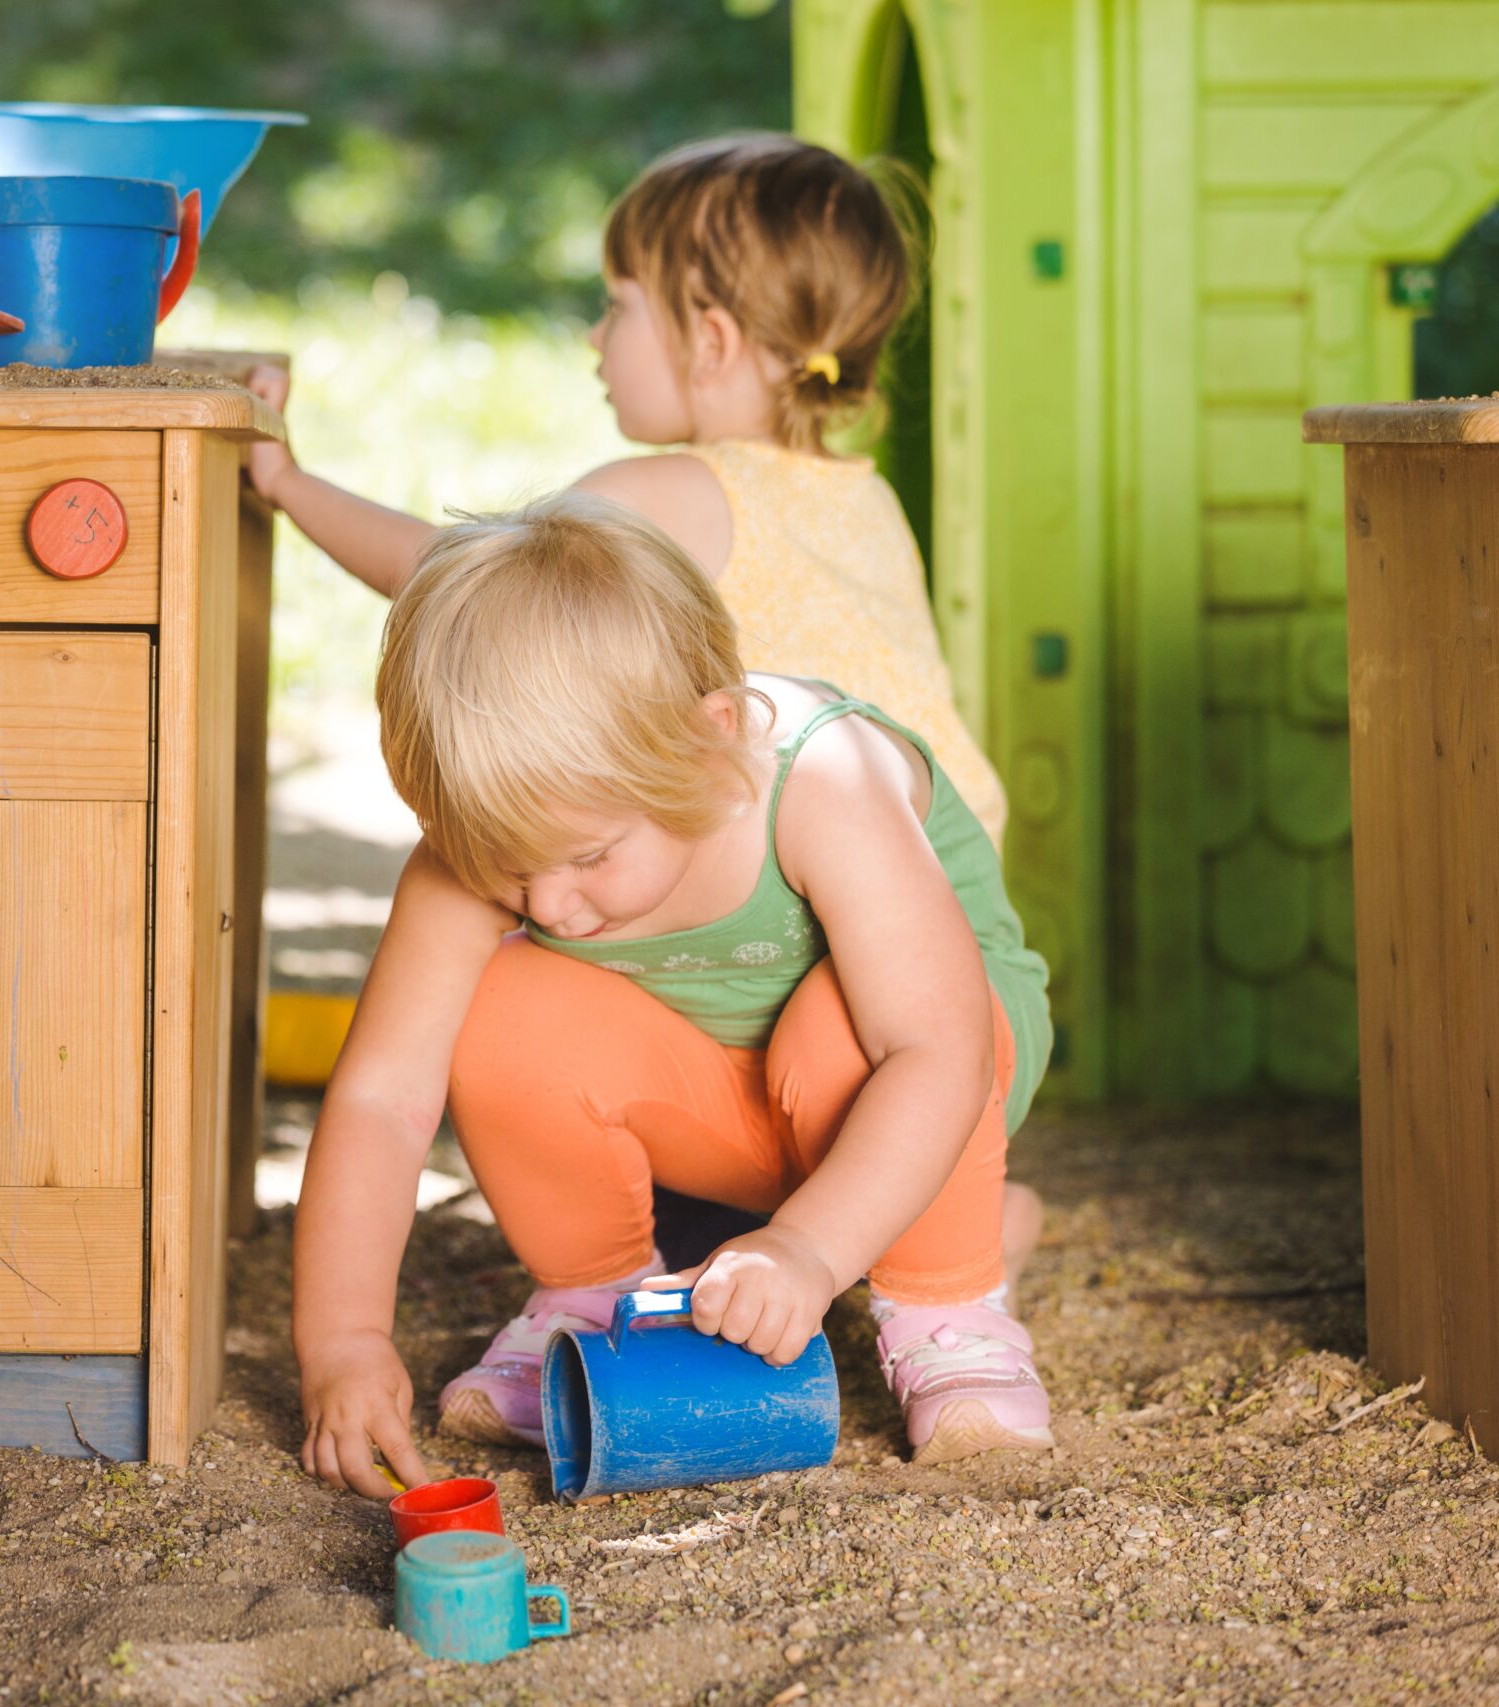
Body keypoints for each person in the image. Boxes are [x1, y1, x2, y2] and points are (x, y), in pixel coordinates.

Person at [291, 495, 1054, 1497]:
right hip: (724, 1111)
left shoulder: (821, 782)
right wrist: (343, 1343)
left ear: (712, 737)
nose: (551, 905)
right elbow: (383, 1099)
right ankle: (593, 1297)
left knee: (836, 1027)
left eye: (588, 857)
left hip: (927, 1079)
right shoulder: (501, 846)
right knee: (499, 1000)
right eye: (507, 875)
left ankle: (951, 1296)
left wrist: (806, 1251)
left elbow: (936, 1051)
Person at [245, 130, 1008, 847]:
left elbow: (454, 577)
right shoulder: (864, 496)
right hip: (958, 855)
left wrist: (287, 482)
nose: (594, 336)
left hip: (849, 874)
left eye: (618, 305)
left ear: (711, 342)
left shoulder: (677, 492)